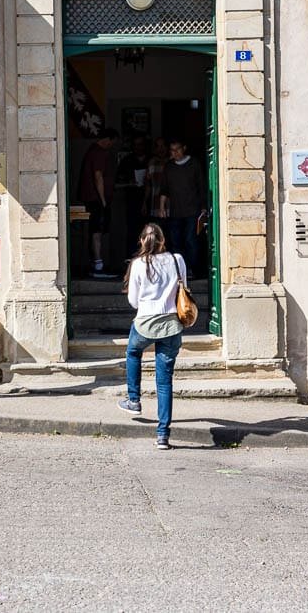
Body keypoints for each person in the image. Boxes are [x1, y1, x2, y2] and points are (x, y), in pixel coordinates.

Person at [116, 222, 186, 449]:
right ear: (163, 240)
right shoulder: (177, 260)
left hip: (145, 321)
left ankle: (134, 399)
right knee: (164, 382)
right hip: (171, 323)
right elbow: (183, 288)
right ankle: (163, 435)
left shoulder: (137, 264)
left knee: (133, 352)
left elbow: (133, 301)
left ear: (141, 241)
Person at [161, 138, 206, 280]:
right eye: (172, 150)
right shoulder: (168, 167)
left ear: (184, 148)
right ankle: (179, 271)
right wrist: (162, 207)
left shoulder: (194, 164)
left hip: (193, 210)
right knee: (175, 242)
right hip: (175, 211)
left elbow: (202, 187)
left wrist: (204, 207)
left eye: (177, 149)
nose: (175, 153)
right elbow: (164, 189)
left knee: (190, 240)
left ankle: (191, 269)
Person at [77, 126, 119, 277]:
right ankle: (98, 265)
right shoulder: (99, 152)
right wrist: (103, 200)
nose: (112, 146)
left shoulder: (91, 150)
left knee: (95, 230)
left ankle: (96, 263)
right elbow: (98, 176)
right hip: (96, 199)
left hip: (92, 198)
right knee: (97, 231)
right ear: (108, 140)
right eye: (112, 143)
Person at [116, 133, 150, 260]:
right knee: (132, 230)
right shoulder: (127, 161)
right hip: (132, 201)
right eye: (135, 145)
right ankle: (131, 260)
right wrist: (129, 183)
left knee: (150, 230)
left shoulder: (151, 160)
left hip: (151, 201)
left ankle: (149, 258)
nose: (138, 147)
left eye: (141, 144)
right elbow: (117, 182)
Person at [143, 136, 168, 224]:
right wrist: (145, 202)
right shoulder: (151, 162)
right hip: (156, 205)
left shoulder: (171, 162)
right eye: (158, 146)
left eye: (162, 146)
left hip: (172, 206)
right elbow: (148, 185)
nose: (160, 149)